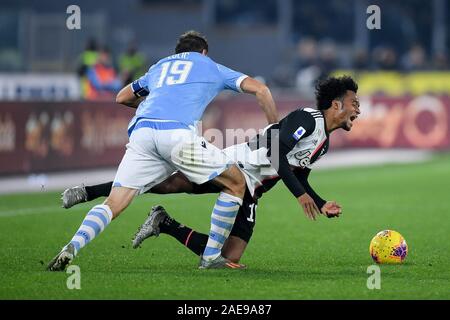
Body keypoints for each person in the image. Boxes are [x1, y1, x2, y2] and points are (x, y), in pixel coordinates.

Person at [61, 75, 360, 265]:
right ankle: (91, 191)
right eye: (354, 103)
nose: (358, 110)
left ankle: (164, 223)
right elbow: (274, 150)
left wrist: (319, 202)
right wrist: (299, 197)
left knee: (231, 256)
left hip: (252, 189)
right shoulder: (308, 119)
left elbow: (299, 174)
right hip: (238, 167)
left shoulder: (324, 143)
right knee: (169, 183)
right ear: (335, 104)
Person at [47, 30, 279, 271]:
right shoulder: (210, 66)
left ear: (177, 53)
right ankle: (211, 257)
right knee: (236, 183)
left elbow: (121, 97)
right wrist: (276, 129)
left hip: (142, 133)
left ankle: (72, 245)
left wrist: (151, 103)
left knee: (114, 203)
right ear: (203, 52)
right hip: (177, 134)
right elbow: (261, 90)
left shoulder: (159, 67)